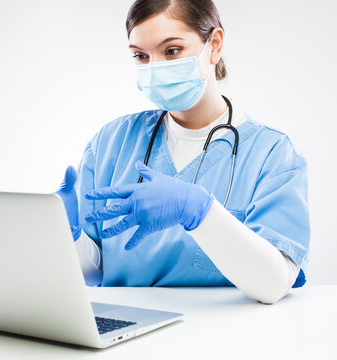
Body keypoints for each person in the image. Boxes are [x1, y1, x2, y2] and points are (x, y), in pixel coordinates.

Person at [55, 0, 309, 305]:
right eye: (141, 56)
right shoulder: (111, 143)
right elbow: (95, 272)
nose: (155, 68)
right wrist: (68, 237)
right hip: (128, 332)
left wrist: (201, 212)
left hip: (229, 337)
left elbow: (274, 283)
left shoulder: (272, 154)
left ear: (214, 46)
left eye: (172, 51)